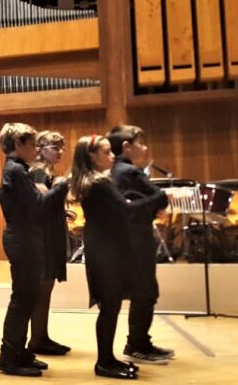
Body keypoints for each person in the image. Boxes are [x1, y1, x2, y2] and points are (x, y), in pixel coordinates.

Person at [69, 135, 163, 379]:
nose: (113, 157)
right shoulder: (98, 182)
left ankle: (108, 358)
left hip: (104, 245)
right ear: (92, 157)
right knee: (110, 306)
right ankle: (104, 362)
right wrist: (159, 198)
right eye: (107, 152)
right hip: (105, 249)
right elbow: (126, 209)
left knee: (111, 305)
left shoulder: (91, 180)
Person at [0, 123, 68, 377]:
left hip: (26, 238)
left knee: (26, 299)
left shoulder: (19, 169)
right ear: (18, 145)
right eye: (32, 144)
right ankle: (9, 357)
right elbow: (38, 205)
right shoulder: (17, 170)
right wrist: (60, 186)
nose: (36, 149)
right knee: (22, 300)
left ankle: (20, 351)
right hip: (22, 239)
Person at [107, 125, 174, 365]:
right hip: (136, 238)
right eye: (140, 143)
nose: (144, 148)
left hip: (131, 237)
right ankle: (137, 345)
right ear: (126, 146)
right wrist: (160, 199)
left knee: (143, 291)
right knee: (144, 292)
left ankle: (140, 342)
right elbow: (160, 197)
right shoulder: (128, 172)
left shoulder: (117, 170)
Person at [28, 131, 72, 356]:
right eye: (55, 147)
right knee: (41, 291)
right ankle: (37, 339)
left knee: (46, 290)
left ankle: (41, 336)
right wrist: (63, 187)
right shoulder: (38, 171)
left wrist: (62, 211)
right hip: (42, 239)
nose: (60, 152)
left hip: (49, 235)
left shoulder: (47, 171)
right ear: (40, 149)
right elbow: (42, 202)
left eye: (61, 147)